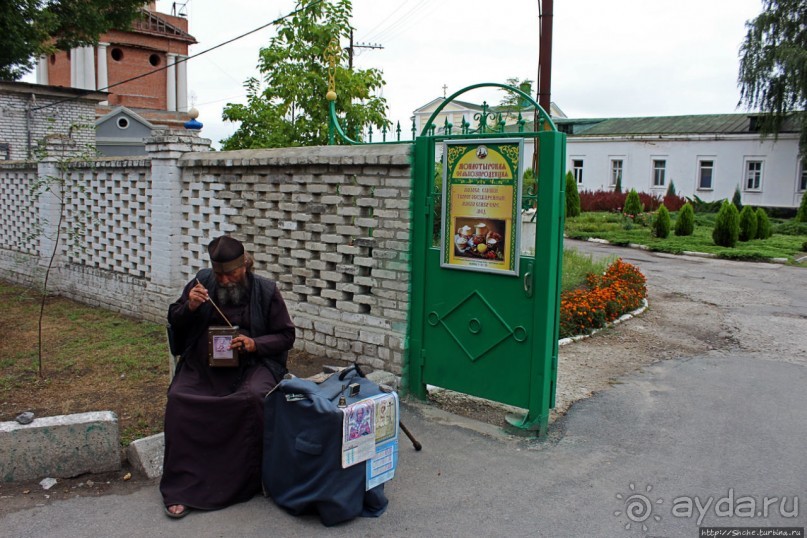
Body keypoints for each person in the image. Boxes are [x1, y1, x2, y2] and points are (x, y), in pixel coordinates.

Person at [161, 235, 296, 519]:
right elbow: (175, 318)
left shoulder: (265, 290)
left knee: (253, 397)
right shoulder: (202, 282)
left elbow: (286, 335)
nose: (223, 281)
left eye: (230, 273)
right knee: (179, 398)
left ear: (244, 266)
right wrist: (190, 307)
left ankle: (251, 480)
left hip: (252, 365)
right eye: (219, 274)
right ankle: (183, 487)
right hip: (204, 366)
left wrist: (254, 344)